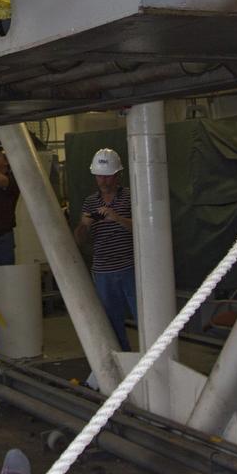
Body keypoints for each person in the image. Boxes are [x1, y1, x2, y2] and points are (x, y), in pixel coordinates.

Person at [74, 147, 136, 350]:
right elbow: (79, 240)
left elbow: (145, 228)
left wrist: (117, 218)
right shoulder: (90, 202)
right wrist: (84, 225)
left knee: (144, 316)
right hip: (103, 271)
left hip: (130, 268)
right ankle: (123, 361)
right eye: (99, 176)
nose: (103, 181)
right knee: (111, 324)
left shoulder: (130, 196)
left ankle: (152, 361)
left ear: (117, 175)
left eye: (108, 176)